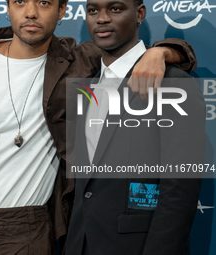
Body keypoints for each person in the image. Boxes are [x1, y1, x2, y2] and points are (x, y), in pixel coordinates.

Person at [0, 0, 198, 254]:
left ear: (63, 10)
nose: (30, 12)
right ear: (6, 7)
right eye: (20, 2)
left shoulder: (78, 63)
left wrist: (163, 51)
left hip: (31, 231)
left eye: (43, 2)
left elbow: (132, 53)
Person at [65, 0, 206, 254]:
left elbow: (179, 193)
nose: (102, 18)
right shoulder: (85, 82)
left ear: (140, 13)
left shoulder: (173, 83)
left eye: (115, 9)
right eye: (93, 10)